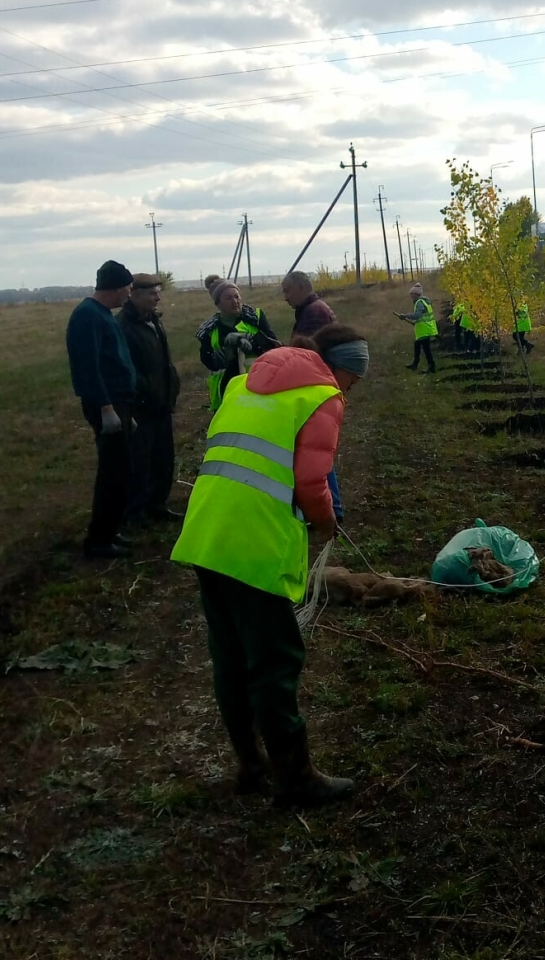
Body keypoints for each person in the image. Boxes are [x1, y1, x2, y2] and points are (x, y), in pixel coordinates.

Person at [171, 322, 369, 807]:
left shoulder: (243, 385)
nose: (349, 393)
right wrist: (326, 524)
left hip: (206, 533)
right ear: (341, 370)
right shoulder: (321, 396)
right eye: (353, 382)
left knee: (231, 657)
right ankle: (295, 778)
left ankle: (251, 764)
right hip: (253, 544)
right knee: (275, 660)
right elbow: (311, 480)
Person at [66, 260, 137, 559]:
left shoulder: (102, 314)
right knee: (112, 471)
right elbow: (88, 367)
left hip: (119, 401)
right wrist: (106, 408)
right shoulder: (87, 316)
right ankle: (98, 541)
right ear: (118, 287)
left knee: (121, 470)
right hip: (106, 403)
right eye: (129, 289)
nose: (129, 296)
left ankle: (110, 531)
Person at [280, 270, 344, 522]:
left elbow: (305, 353)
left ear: (302, 287)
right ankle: (330, 507)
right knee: (315, 449)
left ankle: (332, 509)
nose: (285, 297)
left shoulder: (314, 313)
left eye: (287, 291)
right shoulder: (312, 309)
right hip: (318, 386)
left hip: (315, 389)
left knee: (313, 451)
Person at [117, 274, 182, 524]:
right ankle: (135, 512)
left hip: (161, 403)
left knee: (163, 458)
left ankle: (157, 505)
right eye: (152, 293)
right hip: (141, 406)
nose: (158, 297)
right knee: (139, 462)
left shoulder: (153, 320)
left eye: (158, 292)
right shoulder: (123, 326)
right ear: (134, 295)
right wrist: (144, 392)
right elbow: (127, 369)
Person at [197, 279, 280, 411]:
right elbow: (208, 361)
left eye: (237, 296)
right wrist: (226, 351)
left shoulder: (255, 317)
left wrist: (248, 339)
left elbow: (274, 347)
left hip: (258, 386)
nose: (235, 301)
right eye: (228, 298)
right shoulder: (209, 329)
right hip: (226, 392)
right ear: (218, 303)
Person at [395, 283, 437, 373]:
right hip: (427, 328)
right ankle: (415, 364)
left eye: (412, 294)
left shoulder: (419, 302)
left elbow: (417, 315)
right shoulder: (424, 301)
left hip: (425, 329)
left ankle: (431, 367)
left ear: (416, 294)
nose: (410, 296)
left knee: (426, 349)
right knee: (417, 345)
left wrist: (405, 316)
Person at [281, 270, 336, 337]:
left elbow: (307, 346)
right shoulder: (314, 308)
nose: (286, 298)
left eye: (287, 291)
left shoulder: (314, 313)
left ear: (301, 288)